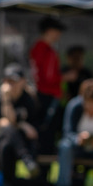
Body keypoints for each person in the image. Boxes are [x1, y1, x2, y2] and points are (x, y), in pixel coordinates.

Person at [0, 64, 40, 186]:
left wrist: (13, 123)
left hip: (17, 141)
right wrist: (21, 125)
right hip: (2, 137)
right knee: (7, 129)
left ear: (23, 82)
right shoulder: (1, 96)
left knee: (6, 146)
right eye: (7, 81)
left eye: (13, 81)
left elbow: (11, 119)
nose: (10, 85)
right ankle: (26, 159)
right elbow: (0, 122)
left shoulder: (28, 99)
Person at [29, 16, 64, 155]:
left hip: (40, 94)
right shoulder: (47, 50)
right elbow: (49, 77)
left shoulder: (36, 47)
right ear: (49, 31)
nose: (59, 34)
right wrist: (65, 77)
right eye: (57, 30)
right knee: (47, 136)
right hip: (47, 96)